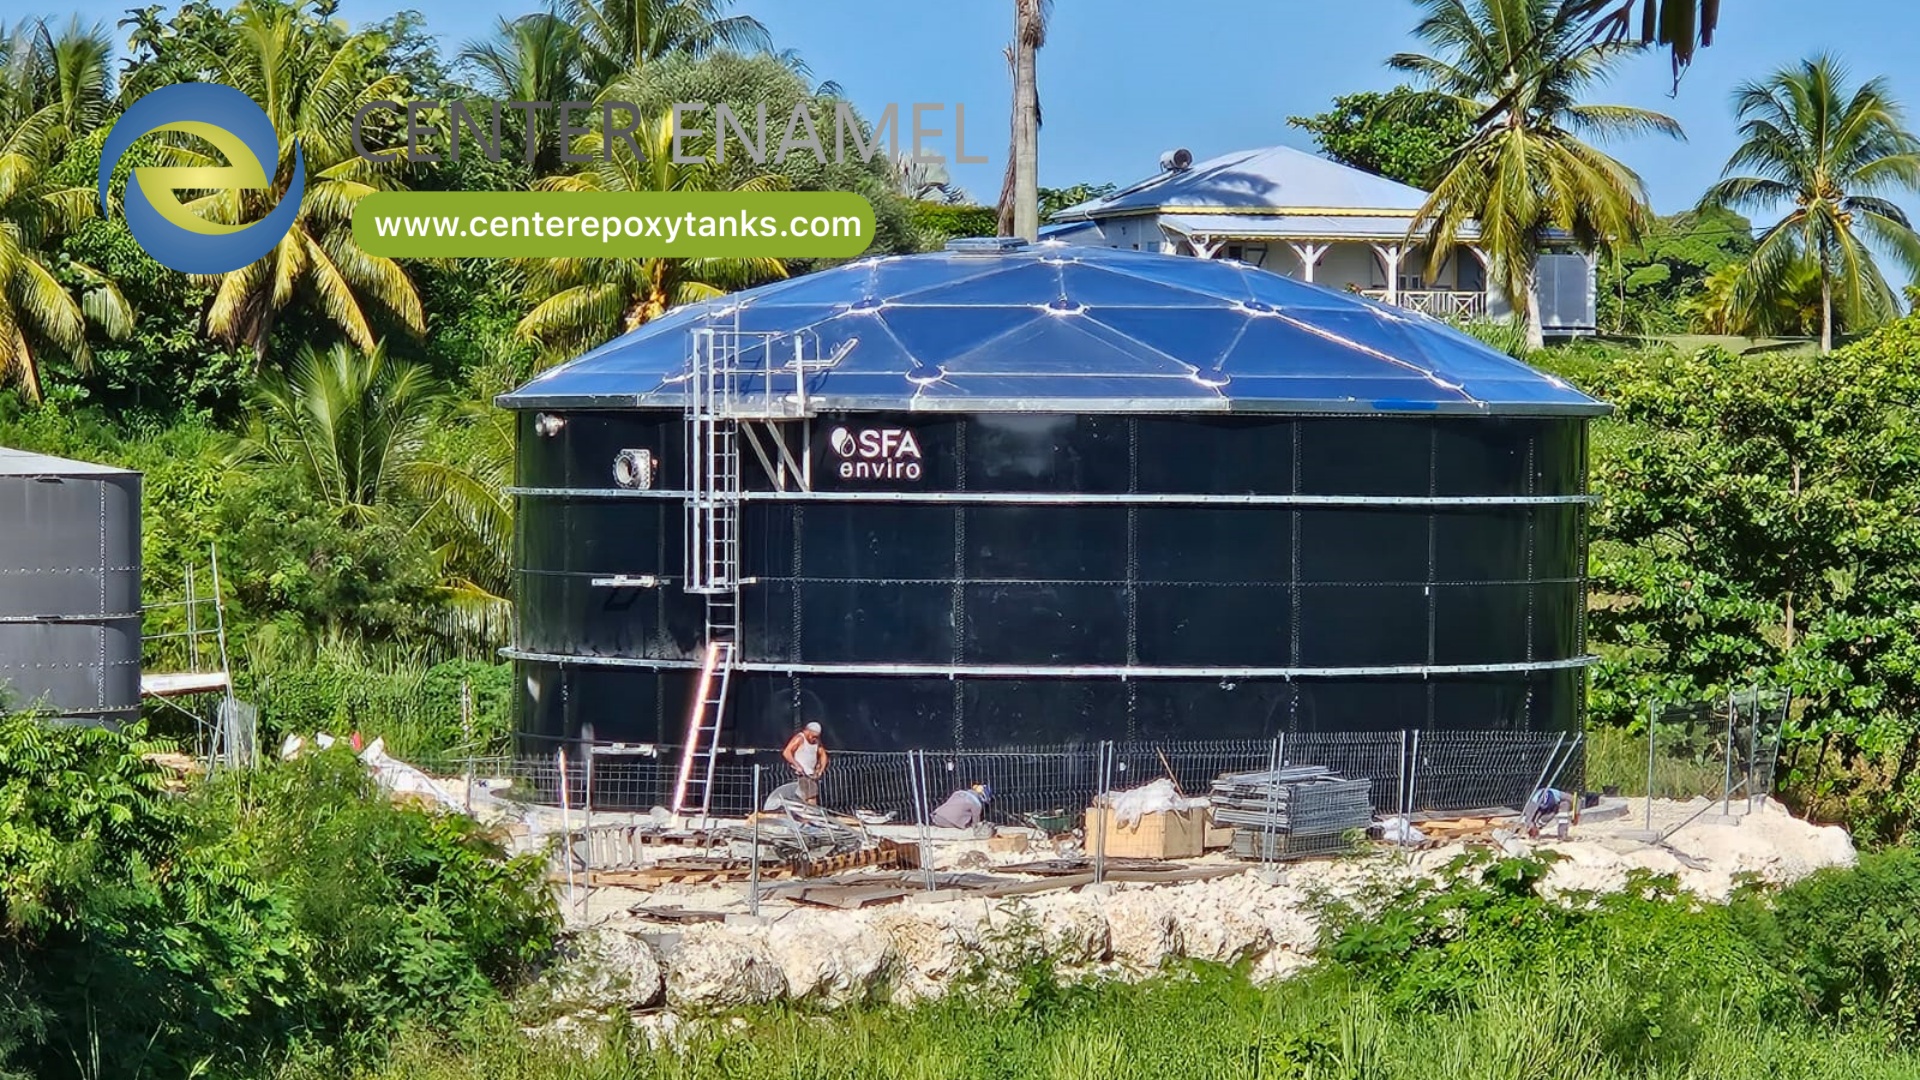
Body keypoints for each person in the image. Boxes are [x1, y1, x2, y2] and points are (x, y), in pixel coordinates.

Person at [783, 722, 828, 786]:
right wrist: (797, 765)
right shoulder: (800, 738)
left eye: (817, 737)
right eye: (813, 736)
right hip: (798, 775)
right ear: (807, 731)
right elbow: (786, 752)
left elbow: (823, 755)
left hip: (810, 776)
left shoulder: (817, 742)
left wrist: (820, 770)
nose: (815, 739)